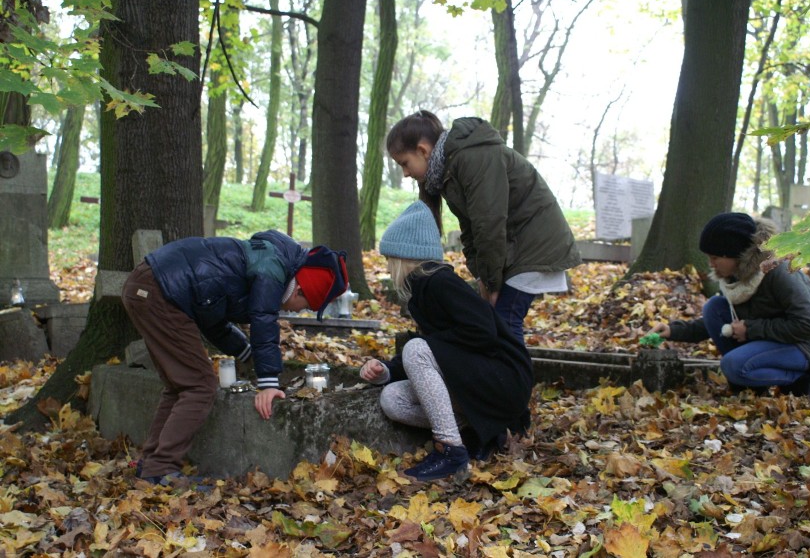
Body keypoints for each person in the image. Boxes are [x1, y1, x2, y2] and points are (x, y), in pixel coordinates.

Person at [121, 230, 348, 485]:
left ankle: (151, 463)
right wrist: (269, 384)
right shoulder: (273, 269)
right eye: (305, 307)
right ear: (300, 291)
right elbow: (264, 320)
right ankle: (160, 468)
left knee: (179, 385)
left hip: (149, 287)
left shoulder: (266, 260)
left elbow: (212, 315)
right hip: (160, 293)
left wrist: (244, 351)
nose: (297, 311)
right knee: (199, 386)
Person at [359, 201, 534, 481]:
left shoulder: (441, 284)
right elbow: (436, 352)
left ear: (403, 258)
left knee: (417, 349)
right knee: (392, 399)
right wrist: (387, 371)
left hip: (505, 379)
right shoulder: (421, 293)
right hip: (478, 382)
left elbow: (483, 333)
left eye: (389, 260)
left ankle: (451, 451)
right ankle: (477, 429)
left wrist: (432, 346)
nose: (388, 267)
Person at [385, 110, 581, 344]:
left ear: (422, 150)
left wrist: (491, 283)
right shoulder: (447, 172)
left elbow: (489, 223)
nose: (405, 173)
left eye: (404, 164)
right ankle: (506, 379)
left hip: (534, 244)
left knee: (505, 323)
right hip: (514, 248)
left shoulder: (473, 158)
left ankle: (512, 380)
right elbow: (470, 231)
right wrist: (481, 277)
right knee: (500, 323)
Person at [647, 212, 810, 397]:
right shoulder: (735, 278)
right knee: (714, 307)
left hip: (806, 345)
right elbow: (715, 322)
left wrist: (750, 329)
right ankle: (752, 384)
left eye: (715, 257)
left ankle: (803, 380)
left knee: (732, 366)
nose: (710, 264)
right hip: (773, 338)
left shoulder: (778, 272)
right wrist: (673, 331)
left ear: (735, 254)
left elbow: (808, 325)